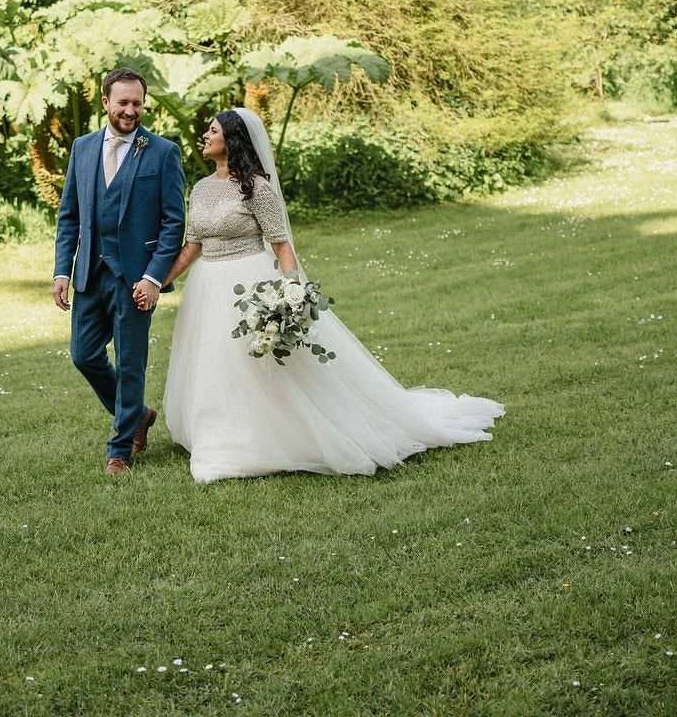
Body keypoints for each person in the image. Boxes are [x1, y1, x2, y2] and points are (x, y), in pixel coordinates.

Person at [158, 107, 504, 483]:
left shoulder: (256, 187)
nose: (205, 136)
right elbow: (191, 246)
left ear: (233, 140)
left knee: (259, 364)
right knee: (213, 362)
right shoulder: (201, 188)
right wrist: (159, 281)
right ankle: (218, 431)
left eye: (213, 131)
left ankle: (263, 437)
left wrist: (292, 293)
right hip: (207, 287)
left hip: (249, 281)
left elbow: (282, 246)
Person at [53, 68, 187, 476]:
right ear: (106, 102)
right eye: (123, 102)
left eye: (137, 103)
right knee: (84, 354)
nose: (131, 111)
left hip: (135, 279)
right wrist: (62, 271)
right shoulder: (83, 147)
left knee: (130, 362)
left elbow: (173, 223)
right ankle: (138, 415)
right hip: (91, 272)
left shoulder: (162, 152)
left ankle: (120, 449)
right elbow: (69, 215)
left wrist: (153, 277)